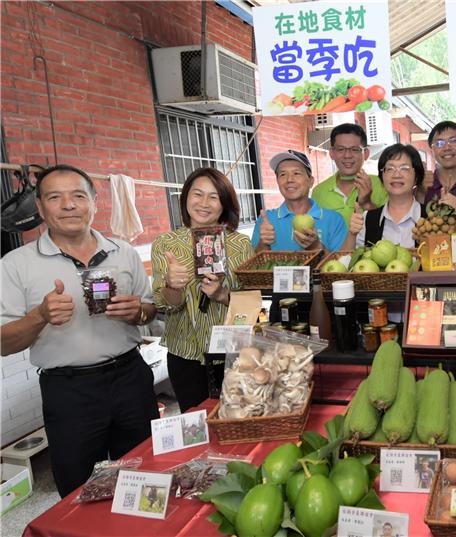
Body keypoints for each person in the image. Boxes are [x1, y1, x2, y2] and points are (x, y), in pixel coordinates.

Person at [0, 164, 159, 498]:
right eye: (55, 197)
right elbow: (4, 344)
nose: (69, 205)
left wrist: (139, 311)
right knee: (78, 488)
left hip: (130, 378)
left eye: (78, 195)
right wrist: (39, 316)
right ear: (41, 208)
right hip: (69, 391)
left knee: (148, 474)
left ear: (94, 202)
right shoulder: (15, 264)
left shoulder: (124, 252)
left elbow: (151, 312)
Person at [151, 167, 255, 412]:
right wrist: (171, 285)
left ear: (224, 204)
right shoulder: (166, 244)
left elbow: (251, 303)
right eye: (197, 194)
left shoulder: (239, 244)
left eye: (214, 197)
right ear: (186, 197)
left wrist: (221, 295)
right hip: (184, 355)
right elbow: (165, 304)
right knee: (196, 423)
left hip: (231, 352)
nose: (204, 203)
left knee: (237, 419)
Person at [252, 150, 347, 252]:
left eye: (296, 173)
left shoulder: (334, 220)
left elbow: (342, 264)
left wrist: (316, 247)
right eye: (283, 174)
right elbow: (254, 265)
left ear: (310, 181)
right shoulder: (266, 220)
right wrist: (264, 243)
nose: (289, 180)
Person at [344, 143, 424, 250]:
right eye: (390, 168)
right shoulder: (367, 219)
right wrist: (352, 234)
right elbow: (347, 262)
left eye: (404, 168)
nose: (396, 175)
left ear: (417, 177)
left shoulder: (432, 219)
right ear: (382, 177)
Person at [311, 123, 388, 226]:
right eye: (341, 149)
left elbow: (390, 229)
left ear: (366, 154)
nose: (347, 155)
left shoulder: (383, 185)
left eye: (355, 149)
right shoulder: (318, 192)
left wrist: (367, 203)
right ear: (332, 153)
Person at [417, 120, 456, 208]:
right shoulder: (424, 187)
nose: (446, 147)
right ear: (432, 151)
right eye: (439, 143)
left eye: (453, 140)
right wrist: (420, 192)